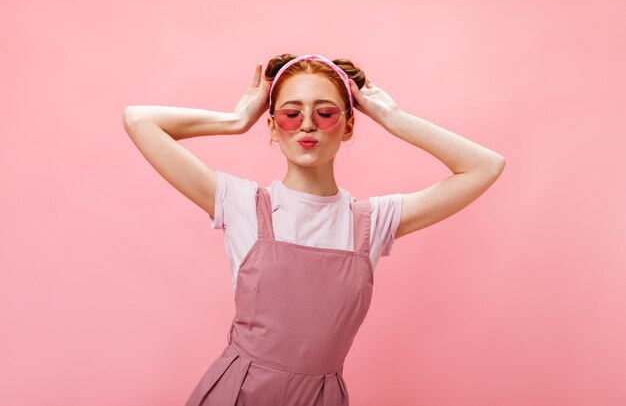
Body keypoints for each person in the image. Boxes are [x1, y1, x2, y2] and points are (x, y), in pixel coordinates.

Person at [122, 53, 505, 406]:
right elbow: (139, 120)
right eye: (290, 113)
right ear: (272, 126)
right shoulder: (241, 203)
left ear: (349, 124)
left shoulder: (372, 221)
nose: (307, 124)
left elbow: (484, 166)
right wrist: (236, 120)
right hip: (238, 393)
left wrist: (392, 116)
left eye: (325, 113)